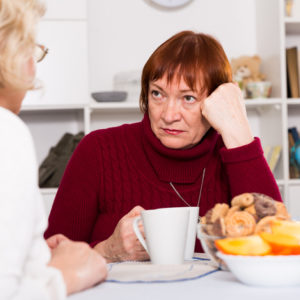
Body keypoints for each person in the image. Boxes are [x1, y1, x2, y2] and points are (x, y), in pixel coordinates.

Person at [45, 30, 282, 262]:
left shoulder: (233, 152)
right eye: (158, 94)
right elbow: (50, 261)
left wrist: (239, 135)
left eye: (188, 98)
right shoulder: (97, 150)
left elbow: (275, 247)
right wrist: (107, 251)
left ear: (214, 102)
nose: (168, 115)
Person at [0, 0, 107, 298]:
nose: (34, 66)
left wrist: (31, 255)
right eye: (29, 48)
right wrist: (69, 274)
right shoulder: (6, 131)